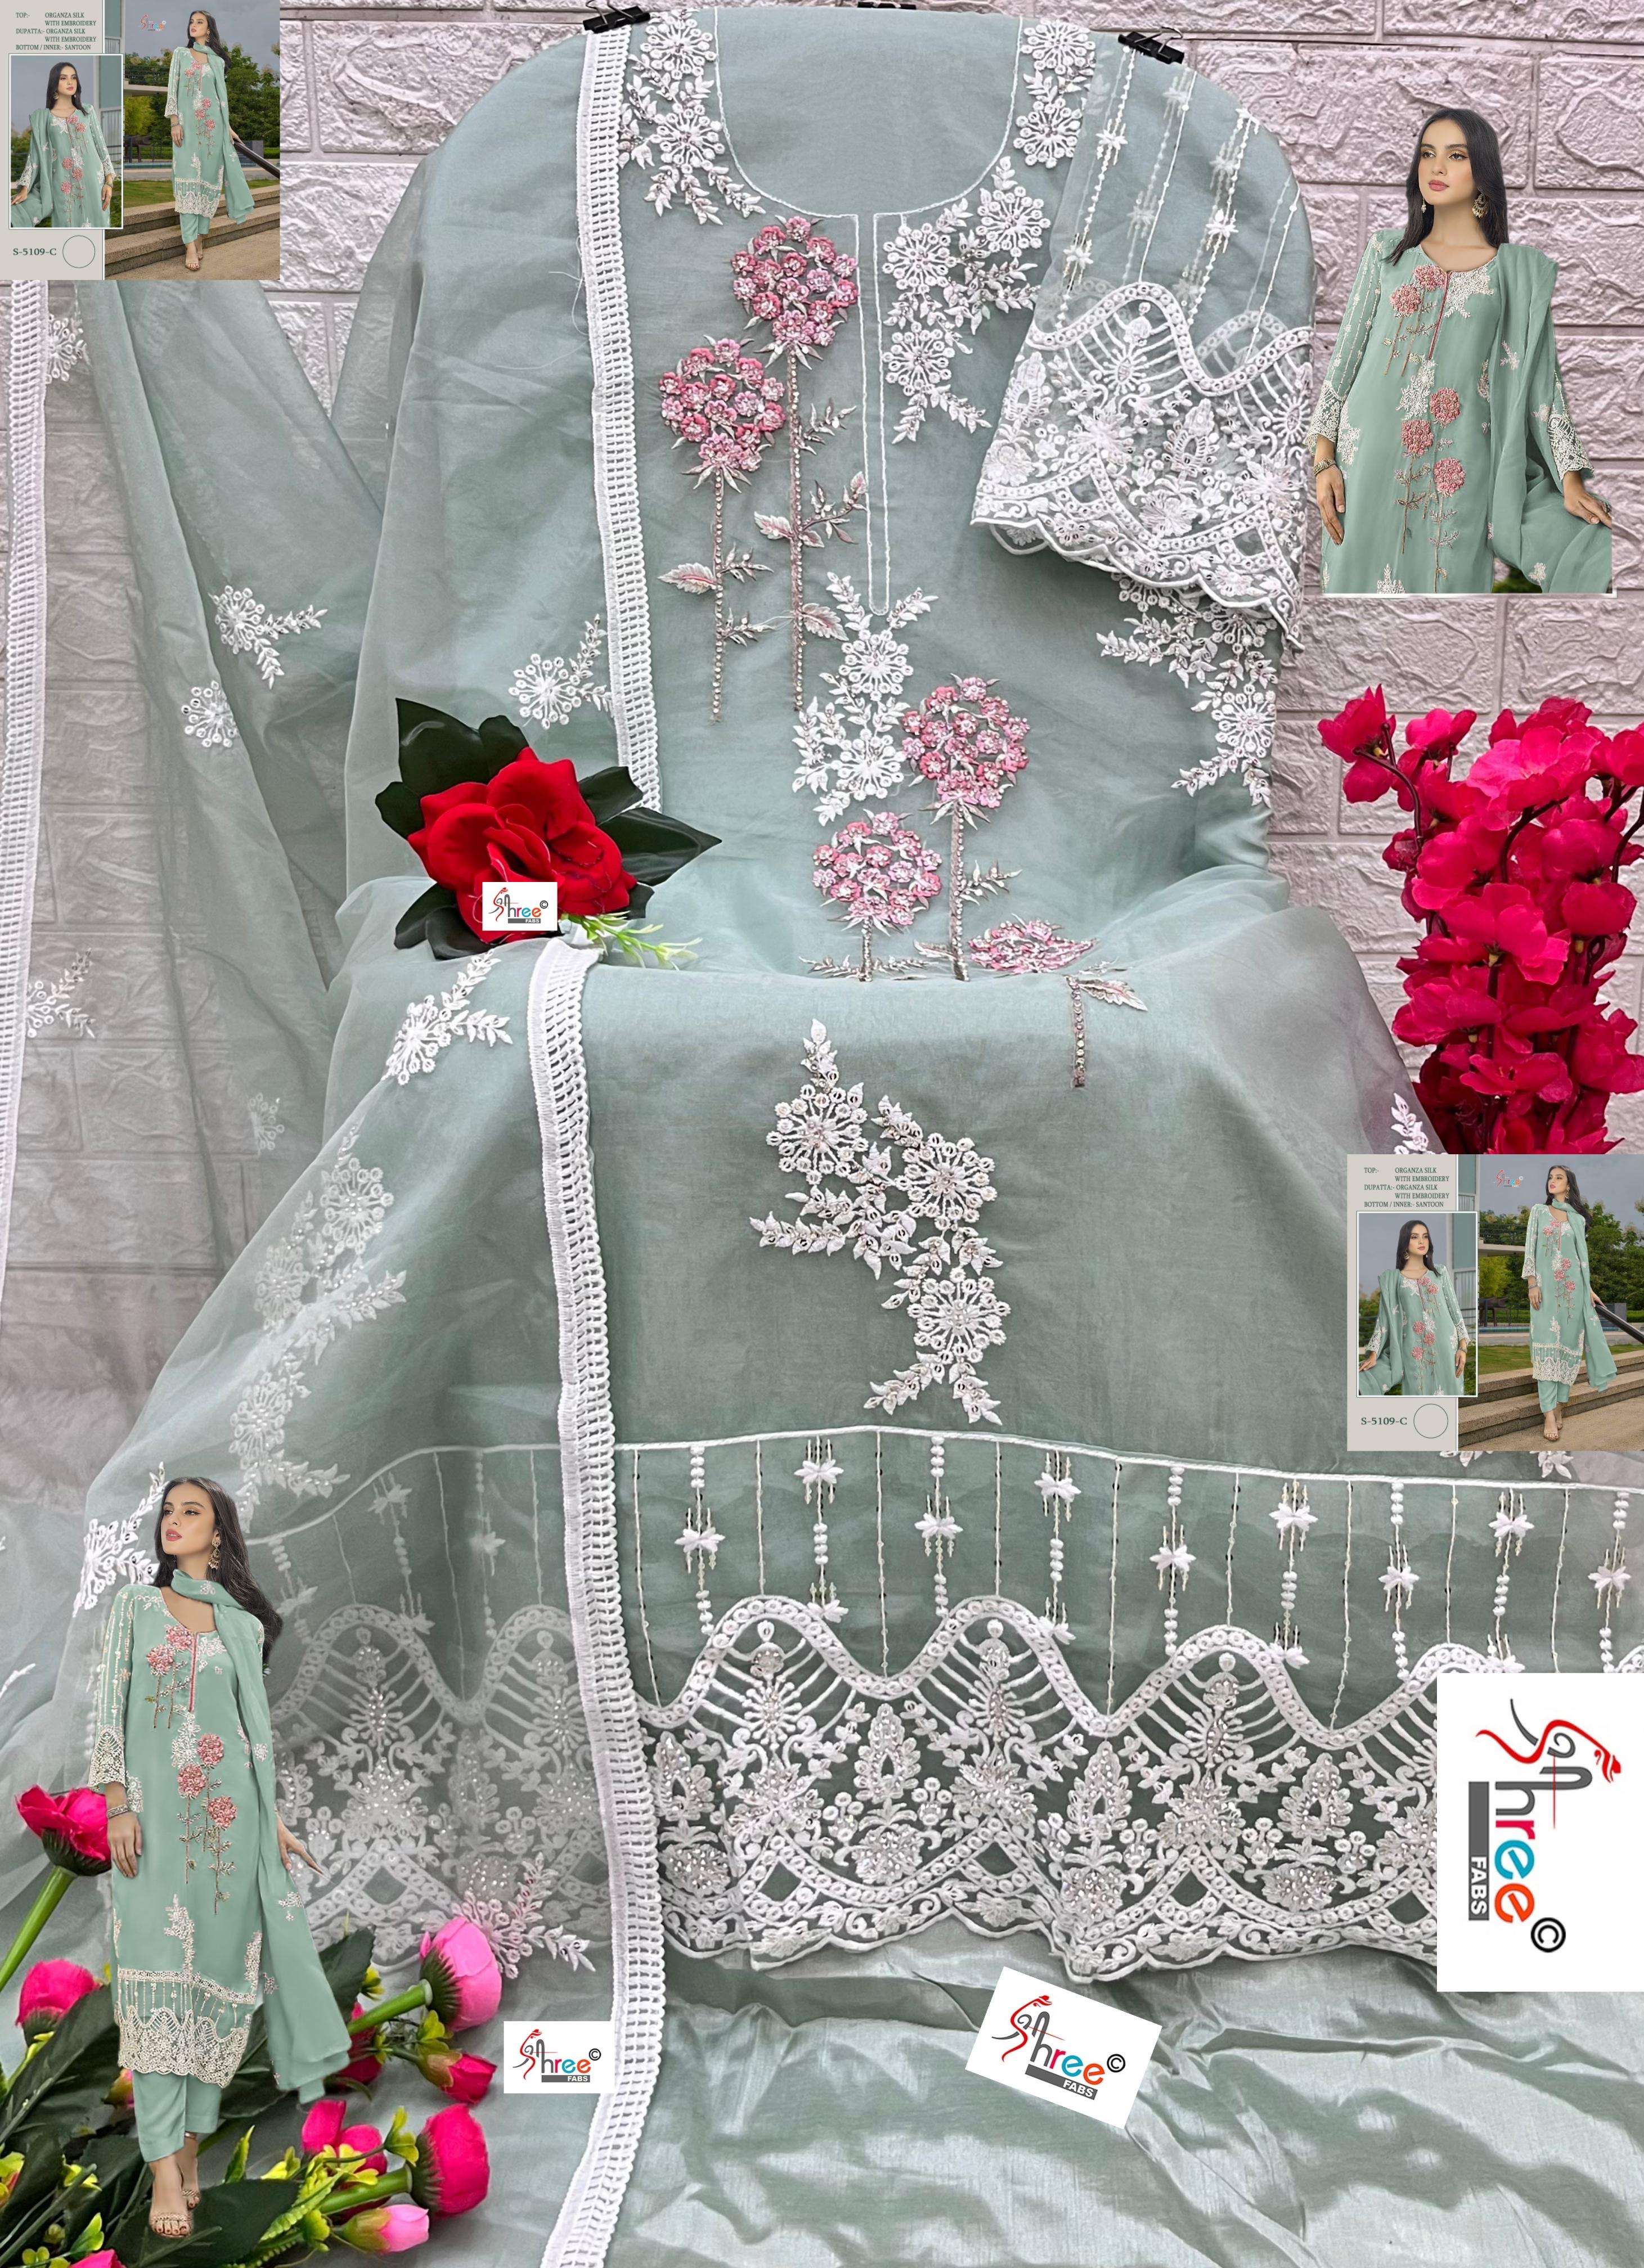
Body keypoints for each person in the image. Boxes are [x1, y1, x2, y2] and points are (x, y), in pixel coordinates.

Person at [92, 1476, 349, 2236]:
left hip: (226, 1836)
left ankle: (188, 2152)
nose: (173, 1521)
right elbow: (109, 1710)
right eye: (168, 1512)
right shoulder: (135, 1608)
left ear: (218, 1531)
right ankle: (161, 2171)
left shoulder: (240, 1625)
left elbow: (251, 1739)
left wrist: (274, 1826)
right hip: (151, 1833)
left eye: (191, 1512)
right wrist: (117, 1805)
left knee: (213, 1996)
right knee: (155, 1994)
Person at [1308, 109, 1611, 594]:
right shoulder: (1386, 253)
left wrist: (1570, 478)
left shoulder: (1513, 274)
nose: (1437, 167)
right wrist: (1325, 460)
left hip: (1457, 474)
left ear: (1482, 172)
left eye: (1455, 156)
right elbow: (1345, 360)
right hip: (1363, 465)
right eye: (1428, 154)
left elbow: (1543, 384)